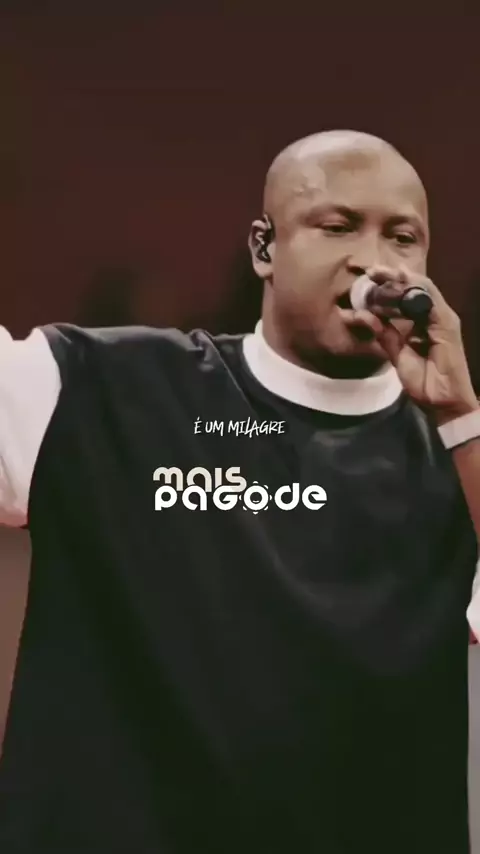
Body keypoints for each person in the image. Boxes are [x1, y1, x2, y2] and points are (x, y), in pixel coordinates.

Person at [0, 129, 479, 854]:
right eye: (338, 226)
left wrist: (462, 419)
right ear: (263, 248)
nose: (374, 259)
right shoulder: (99, 389)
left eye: (402, 237)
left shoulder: (458, 453)